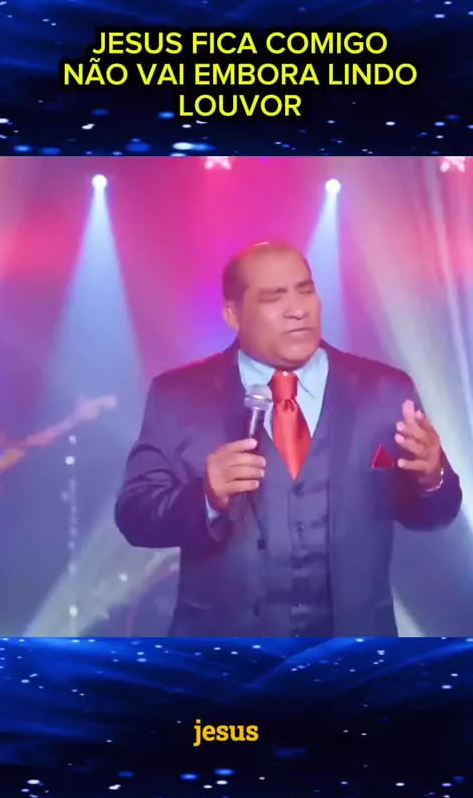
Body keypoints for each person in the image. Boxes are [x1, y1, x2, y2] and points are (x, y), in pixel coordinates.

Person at [115, 242, 462, 637]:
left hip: (352, 652)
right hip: (224, 656)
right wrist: (206, 498)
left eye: (306, 291)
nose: (298, 309)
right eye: (274, 298)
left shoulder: (384, 391)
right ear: (233, 314)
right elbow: (135, 517)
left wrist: (432, 477)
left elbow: (435, 515)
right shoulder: (177, 396)